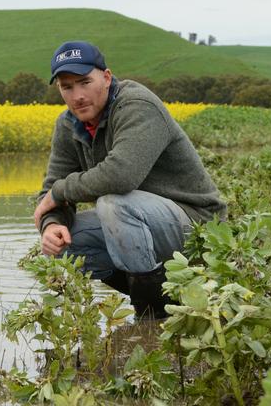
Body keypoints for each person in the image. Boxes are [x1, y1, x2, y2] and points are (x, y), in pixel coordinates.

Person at [34, 41, 227, 320]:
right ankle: (163, 296)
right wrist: (52, 225)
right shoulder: (67, 125)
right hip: (139, 223)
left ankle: (151, 317)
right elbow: (50, 190)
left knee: (114, 204)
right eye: (67, 87)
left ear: (107, 77)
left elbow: (121, 175)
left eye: (85, 82)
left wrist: (59, 192)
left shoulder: (137, 104)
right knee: (63, 243)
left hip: (196, 226)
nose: (77, 95)